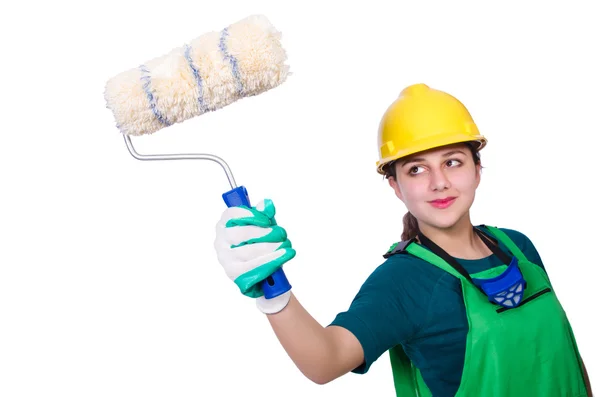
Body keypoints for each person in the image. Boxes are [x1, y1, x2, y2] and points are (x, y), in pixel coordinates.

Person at [213, 83, 593, 396]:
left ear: (478, 168)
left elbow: (563, 362)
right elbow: (325, 360)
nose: (438, 181)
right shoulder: (405, 282)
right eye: (416, 169)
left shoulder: (517, 247)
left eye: (453, 161)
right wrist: (273, 295)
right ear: (395, 186)